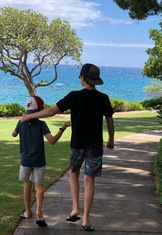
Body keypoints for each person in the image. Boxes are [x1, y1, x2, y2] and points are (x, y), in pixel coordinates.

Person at [21, 63, 115, 231]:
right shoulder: (103, 98)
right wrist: (111, 139)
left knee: (74, 173)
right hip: (95, 145)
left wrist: (30, 116)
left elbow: (51, 112)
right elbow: (109, 120)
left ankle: (75, 208)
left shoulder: (74, 96)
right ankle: (85, 219)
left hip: (77, 144)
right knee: (89, 180)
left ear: (83, 78)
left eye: (80, 76)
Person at [12, 95, 70, 227]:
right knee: (39, 187)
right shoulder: (41, 124)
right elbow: (52, 141)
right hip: (39, 161)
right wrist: (62, 128)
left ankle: (27, 212)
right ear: (39, 110)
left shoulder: (21, 122)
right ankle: (39, 213)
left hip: (25, 160)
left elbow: (13, 134)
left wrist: (21, 123)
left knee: (27, 185)